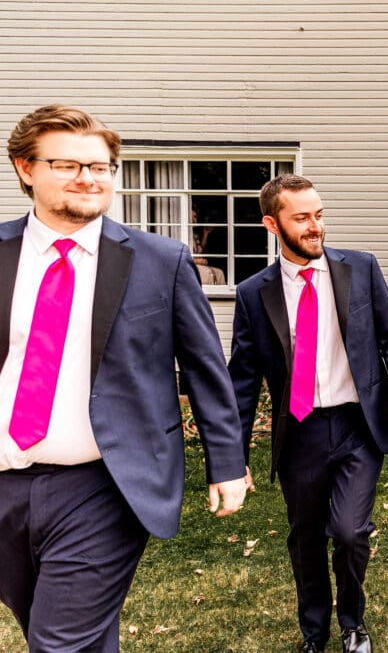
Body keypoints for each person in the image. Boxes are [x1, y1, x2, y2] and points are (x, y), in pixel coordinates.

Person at [0, 104, 247, 651]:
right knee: (59, 628)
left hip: (104, 483)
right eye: (67, 165)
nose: (88, 178)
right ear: (25, 168)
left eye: (100, 167)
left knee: (58, 642)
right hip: (5, 480)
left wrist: (227, 463)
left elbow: (205, 369)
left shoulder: (161, 260)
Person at [228, 174, 388, 653]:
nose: (316, 226)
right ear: (272, 224)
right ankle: (314, 633)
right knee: (306, 538)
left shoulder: (360, 268)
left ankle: (353, 622)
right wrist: (233, 455)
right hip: (299, 432)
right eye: (302, 218)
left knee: (350, 532)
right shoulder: (254, 293)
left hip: (358, 425)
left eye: (319, 214)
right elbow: (243, 381)